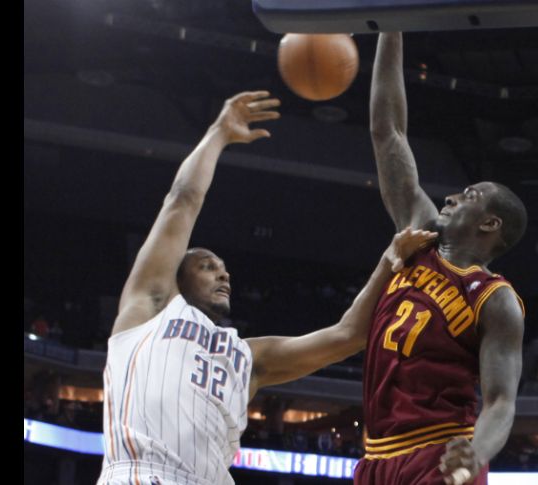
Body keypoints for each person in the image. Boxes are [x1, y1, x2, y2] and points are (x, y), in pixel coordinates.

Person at [96, 90, 437, 485]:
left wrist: (389, 261)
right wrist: (218, 134)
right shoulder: (152, 307)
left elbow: (348, 334)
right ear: (176, 277)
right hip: (143, 475)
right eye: (207, 267)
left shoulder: (247, 358)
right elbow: (182, 200)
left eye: (224, 269)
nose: (224, 275)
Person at [353, 33, 528, 485]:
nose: (451, 196)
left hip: (439, 452)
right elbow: (387, 130)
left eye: (468, 196)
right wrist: (390, 27)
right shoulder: (419, 233)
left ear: (490, 225)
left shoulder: (495, 299)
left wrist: (476, 452)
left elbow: (501, 402)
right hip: (375, 458)